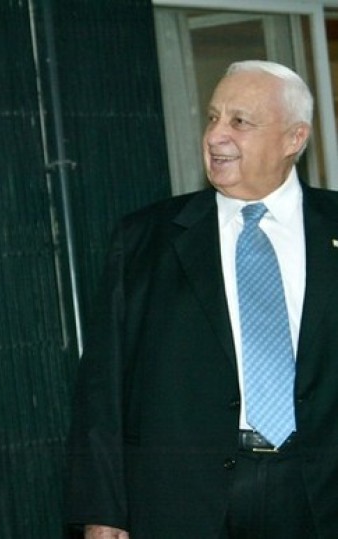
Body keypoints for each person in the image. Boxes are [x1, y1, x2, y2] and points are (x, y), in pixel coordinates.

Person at [65, 59, 338, 538]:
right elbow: (102, 389)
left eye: (240, 121)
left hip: (321, 494)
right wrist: (102, 511)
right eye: (212, 117)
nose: (216, 136)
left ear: (294, 139)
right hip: (185, 500)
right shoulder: (146, 240)